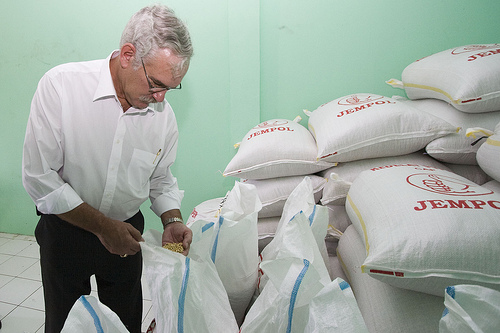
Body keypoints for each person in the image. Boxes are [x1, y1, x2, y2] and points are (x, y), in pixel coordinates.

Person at [22, 5, 193, 332]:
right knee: (65, 323)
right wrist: (102, 226)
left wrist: (172, 219)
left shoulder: (163, 116)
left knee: (126, 322)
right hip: (66, 230)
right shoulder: (61, 86)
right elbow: (39, 178)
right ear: (128, 54)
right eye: (156, 83)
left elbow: (160, 178)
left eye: (171, 88)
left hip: (127, 234)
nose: (160, 97)